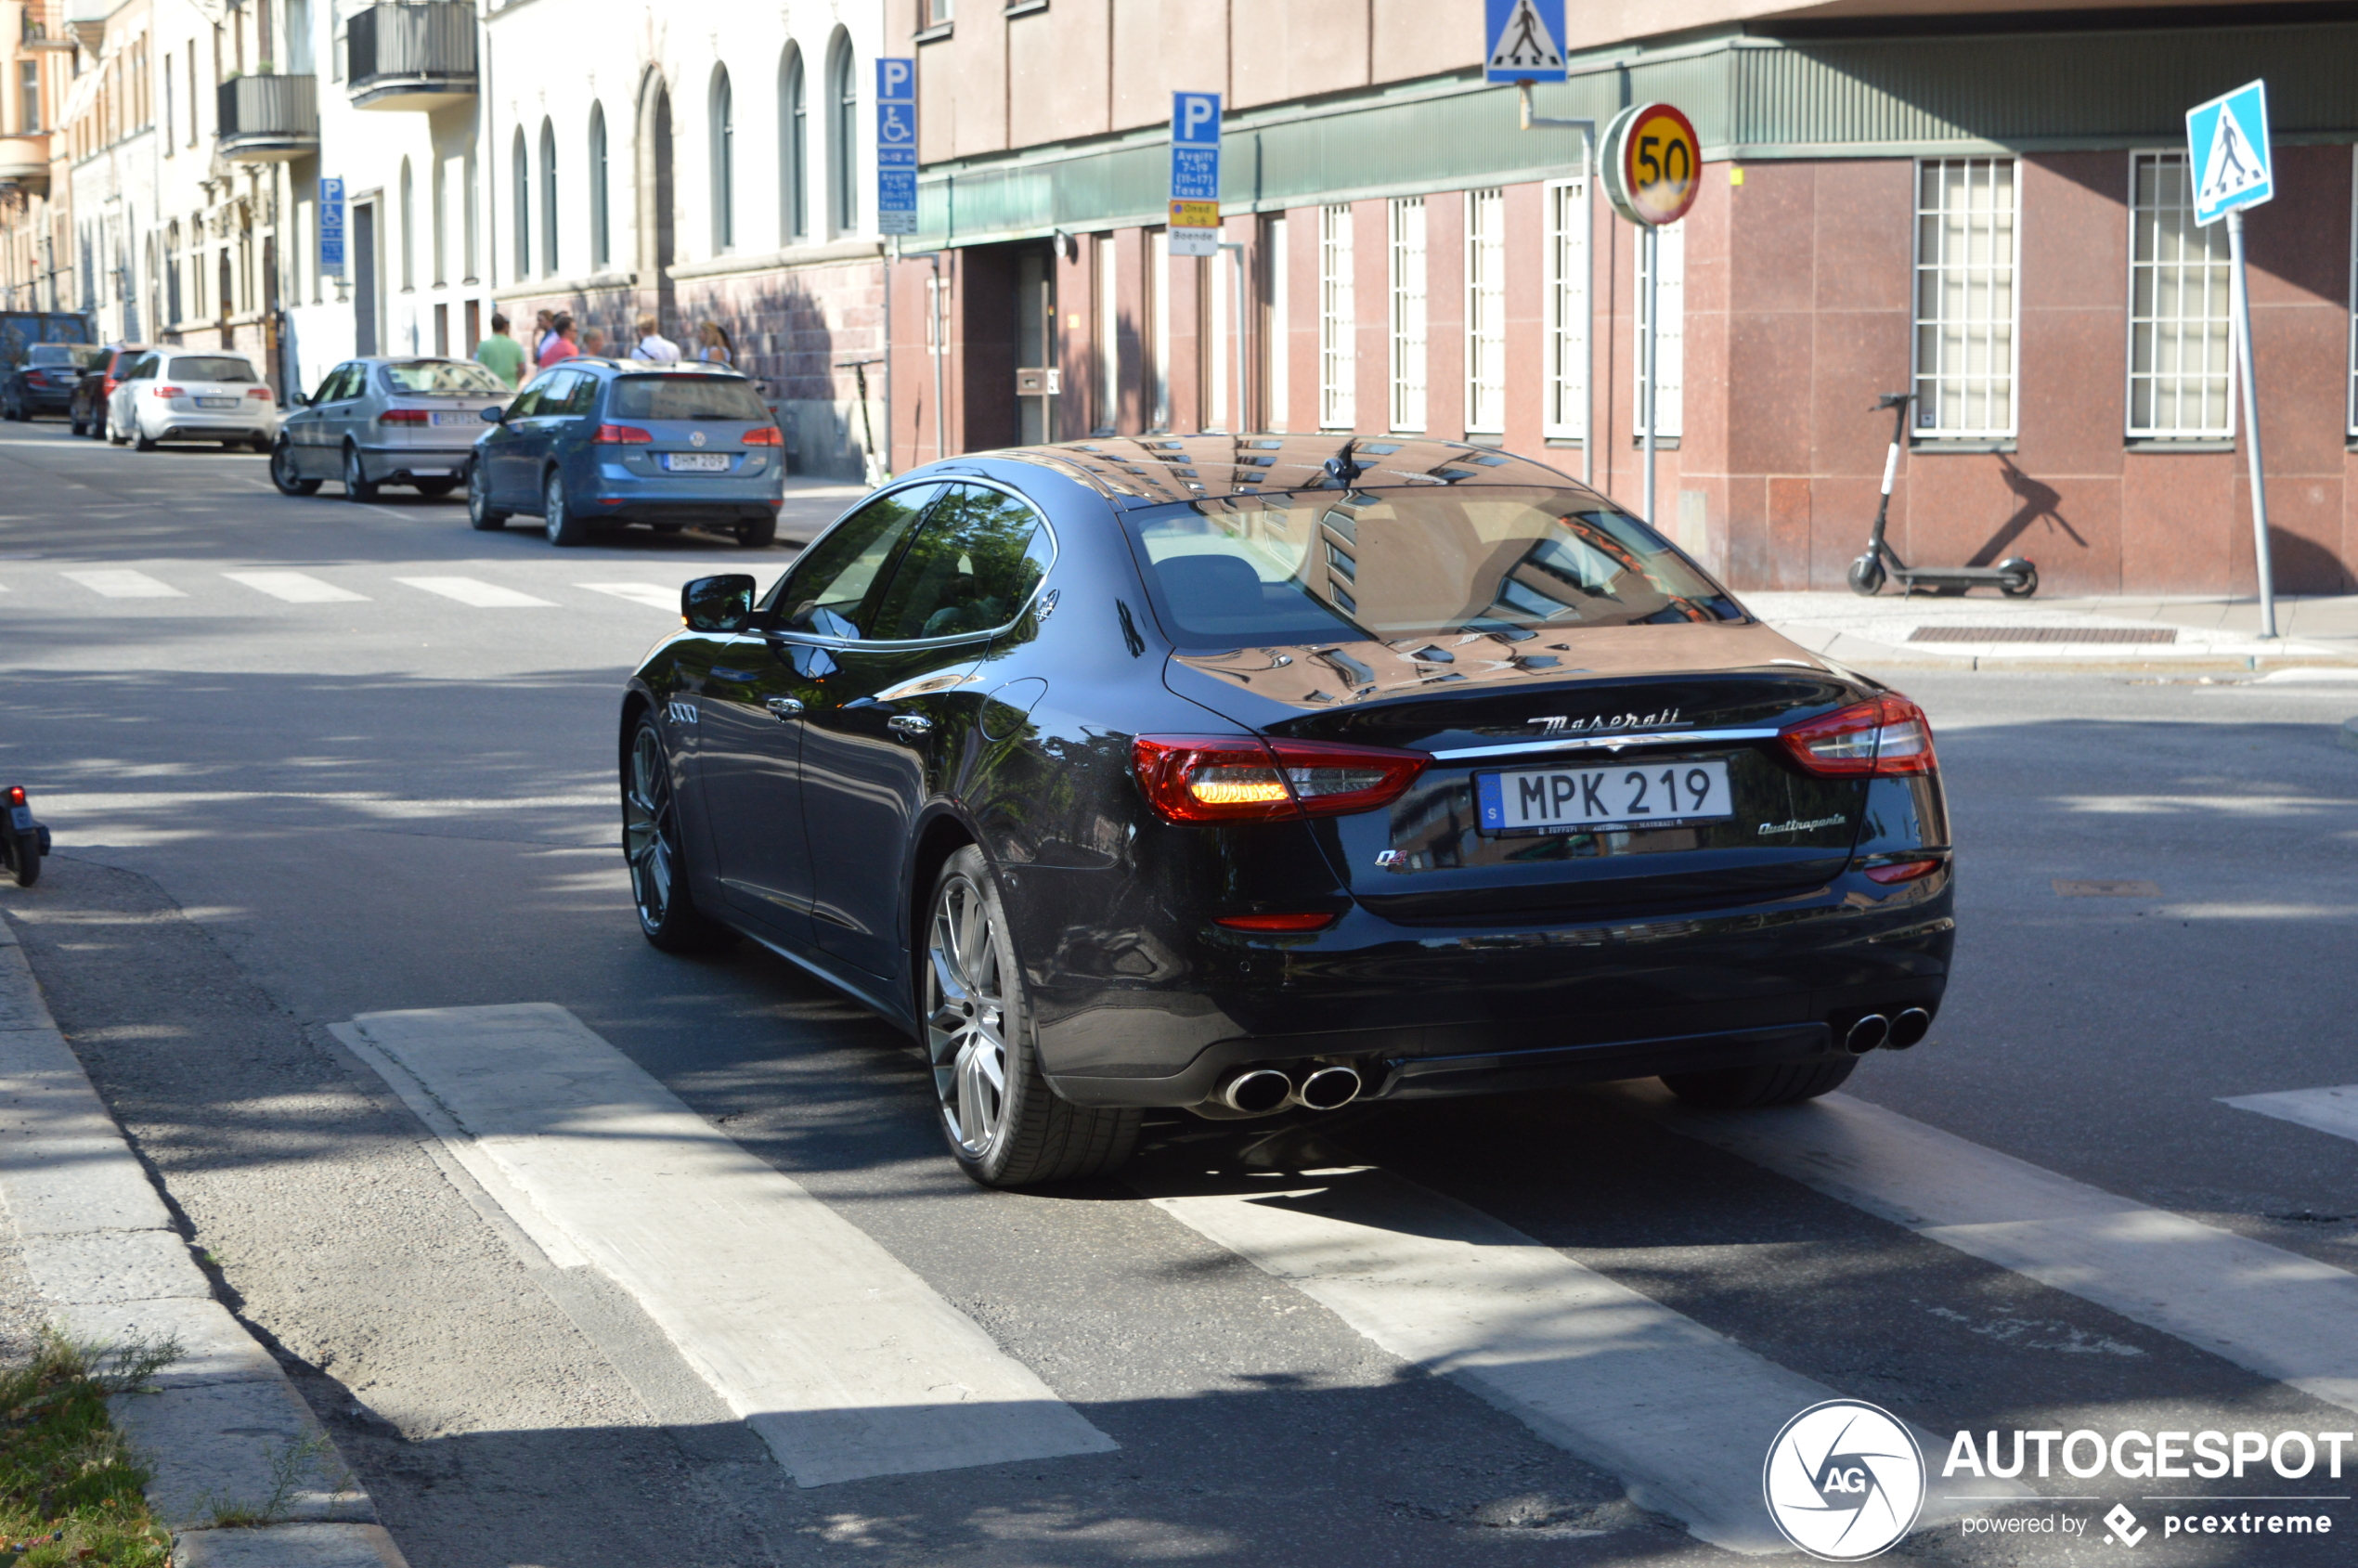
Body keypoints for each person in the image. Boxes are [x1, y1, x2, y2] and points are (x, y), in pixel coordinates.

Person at [473, 312, 527, 388]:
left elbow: (479, 368)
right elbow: (522, 368)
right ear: (504, 326)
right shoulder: (515, 345)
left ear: (492, 326)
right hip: (510, 387)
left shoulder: (484, 345)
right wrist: (516, 381)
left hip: (490, 388)